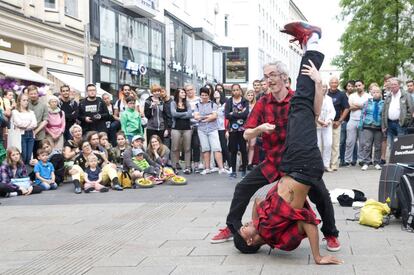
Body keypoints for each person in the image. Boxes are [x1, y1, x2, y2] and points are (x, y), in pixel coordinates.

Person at [211, 23, 340, 252]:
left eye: (272, 75)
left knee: (321, 194)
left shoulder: (296, 99)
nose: (267, 80)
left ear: (283, 77)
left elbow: (315, 113)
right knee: (242, 187)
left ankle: (330, 234)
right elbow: (248, 132)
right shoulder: (262, 102)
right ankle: (232, 228)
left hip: (297, 162)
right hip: (273, 162)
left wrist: (319, 85)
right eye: (265, 76)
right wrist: (260, 128)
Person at [194, 87, 227, 175]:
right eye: (202, 95)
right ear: (200, 95)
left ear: (209, 95)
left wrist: (203, 117)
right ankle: (207, 168)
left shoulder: (213, 104)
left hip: (213, 129)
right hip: (202, 130)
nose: (204, 97)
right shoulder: (197, 105)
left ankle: (221, 168)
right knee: (205, 149)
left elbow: (215, 116)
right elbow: (196, 117)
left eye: (206, 95)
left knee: (217, 148)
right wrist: (208, 117)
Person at [343, 80, 371, 167]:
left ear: (363, 85)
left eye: (359, 85)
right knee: (349, 141)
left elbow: (368, 108)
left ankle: (361, 159)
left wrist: (357, 106)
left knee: (363, 142)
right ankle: (347, 160)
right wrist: (362, 106)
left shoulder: (368, 96)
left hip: (363, 121)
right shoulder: (352, 96)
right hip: (352, 120)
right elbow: (349, 107)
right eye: (356, 86)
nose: (358, 87)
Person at [381, 77, 413, 152]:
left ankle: (400, 163)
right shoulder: (388, 96)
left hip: (400, 124)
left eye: (395, 84)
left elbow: (410, 110)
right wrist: (384, 125)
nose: (393, 86)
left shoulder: (406, 95)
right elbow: (384, 111)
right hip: (389, 124)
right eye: (391, 84)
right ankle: (393, 162)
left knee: (401, 145)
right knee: (391, 145)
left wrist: (405, 121)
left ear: (399, 85)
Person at [225, 84, 249, 178]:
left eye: (237, 90)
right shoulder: (229, 101)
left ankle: (244, 170)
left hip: (242, 129)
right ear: (232, 91)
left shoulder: (244, 101)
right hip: (232, 129)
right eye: (234, 90)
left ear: (240, 90)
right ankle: (233, 171)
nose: (235, 92)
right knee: (233, 150)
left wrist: (233, 114)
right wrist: (239, 113)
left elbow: (245, 114)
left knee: (243, 150)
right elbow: (227, 115)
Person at [359, 85, 384, 171]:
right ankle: (366, 162)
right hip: (367, 126)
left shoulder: (383, 103)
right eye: (374, 92)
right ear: (371, 93)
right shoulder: (367, 103)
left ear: (380, 93)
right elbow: (363, 114)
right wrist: (361, 125)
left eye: (378, 92)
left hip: (379, 127)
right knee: (367, 145)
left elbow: (384, 116)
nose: (376, 94)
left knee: (378, 146)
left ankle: (377, 162)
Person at [327, 77, 349, 171]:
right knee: (326, 144)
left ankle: (334, 164)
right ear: (329, 83)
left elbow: (346, 108)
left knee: (335, 144)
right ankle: (326, 164)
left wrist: (339, 121)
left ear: (338, 84)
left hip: (336, 123)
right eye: (332, 82)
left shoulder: (342, 94)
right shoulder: (325, 93)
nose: (334, 84)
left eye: (336, 82)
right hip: (325, 123)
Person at [170, 88, 193, 174]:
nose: (184, 93)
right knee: (175, 148)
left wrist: (179, 115)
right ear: (178, 93)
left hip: (187, 128)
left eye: (184, 92)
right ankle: (174, 166)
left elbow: (190, 114)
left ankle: (188, 167)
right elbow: (173, 114)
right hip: (176, 128)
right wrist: (185, 114)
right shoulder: (173, 103)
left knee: (187, 148)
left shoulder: (187, 103)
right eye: (182, 92)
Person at [11, 93, 37, 164]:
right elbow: (19, 123)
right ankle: (21, 172)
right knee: (23, 156)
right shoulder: (15, 112)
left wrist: (24, 125)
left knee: (29, 157)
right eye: (24, 100)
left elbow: (34, 124)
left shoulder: (31, 112)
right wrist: (29, 122)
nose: (26, 102)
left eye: (27, 100)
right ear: (19, 101)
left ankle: (26, 173)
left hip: (31, 135)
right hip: (21, 135)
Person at [317, 85, 336, 172]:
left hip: (327, 125)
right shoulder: (315, 97)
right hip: (317, 124)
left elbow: (332, 111)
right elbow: (314, 111)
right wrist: (320, 121)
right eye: (322, 87)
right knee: (318, 145)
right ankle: (318, 165)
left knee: (328, 144)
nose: (323, 89)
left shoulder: (329, 99)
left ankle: (326, 164)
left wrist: (328, 121)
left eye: (325, 87)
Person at [184, 84, 201, 173]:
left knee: (196, 145)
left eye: (191, 89)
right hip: (187, 126)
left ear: (194, 90)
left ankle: (196, 165)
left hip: (198, 125)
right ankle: (188, 166)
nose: (189, 91)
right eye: (187, 90)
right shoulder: (184, 101)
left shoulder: (199, 99)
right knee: (187, 147)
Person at [27, 85, 48, 156]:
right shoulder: (25, 104)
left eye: (35, 93)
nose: (33, 95)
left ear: (38, 94)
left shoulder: (44, 105)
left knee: (39, 155)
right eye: (31, 94)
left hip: (40, 135)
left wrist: (36, 131)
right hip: (27, 134)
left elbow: (45, 120)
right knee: (27, 155)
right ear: (28, 94)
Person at [339, 80, 356, 166]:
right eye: (349, 86)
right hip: (344, 120)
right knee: (342, 141)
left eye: (352, 86)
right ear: (346, 86)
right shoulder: (342, 95)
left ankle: (354, 159)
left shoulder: (355, 96)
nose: (350, 87)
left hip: (353, 119)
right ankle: (342, 160)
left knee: (353, 140)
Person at [214, 88, 231, 170]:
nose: (215, 93)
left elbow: (228, 117)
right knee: (217, 147)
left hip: (223, 128)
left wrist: (227, 130)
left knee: (224, 146)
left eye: (217, 92)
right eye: (215, 92)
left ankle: (230, 164)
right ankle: (218, 164)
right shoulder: (212, 104)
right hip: (214, 128)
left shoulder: (225, 104)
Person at [244, 90, 256, 170]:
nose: (250, 96)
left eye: (252, 95)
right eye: (249, 95)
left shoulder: (256, 105)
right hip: (244, 126)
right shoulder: (243, 104)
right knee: (245, 146)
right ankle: (243, 162)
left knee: (252, 145)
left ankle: (250, 163)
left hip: (253, 126)